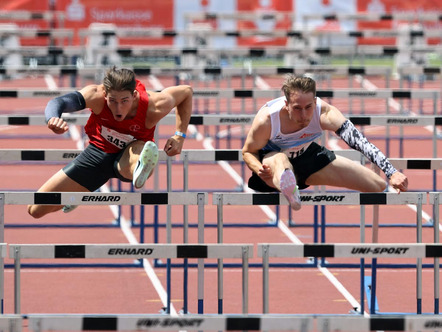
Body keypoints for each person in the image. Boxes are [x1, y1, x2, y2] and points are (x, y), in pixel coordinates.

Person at [28, 66, 192, 218]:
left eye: (124, 101)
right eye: (112, 101)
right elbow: (58, 102)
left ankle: (141, 167)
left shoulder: (155, 105)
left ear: (134, 95)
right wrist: (53, 118)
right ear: (105, 94)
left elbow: (186, 92)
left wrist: (179, 136)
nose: (118, 109)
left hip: (130, 154)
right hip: (98, 155)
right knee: (35, 210)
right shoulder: (96, 95)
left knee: (141, 150)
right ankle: (74, 197)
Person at [242, 75, 408, 211]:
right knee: (279, 160)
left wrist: (391, 172)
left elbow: (359, 141)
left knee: (377, 185)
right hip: (273, 164)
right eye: (297, 108)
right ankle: (290, 190)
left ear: (315, 102)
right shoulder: (268, 120)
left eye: (308, 107)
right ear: (286, 105)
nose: (304, 115)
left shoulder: (325, 113)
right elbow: (248, 151)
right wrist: (258, 169)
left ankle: (291, 184)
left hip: (308, 156)